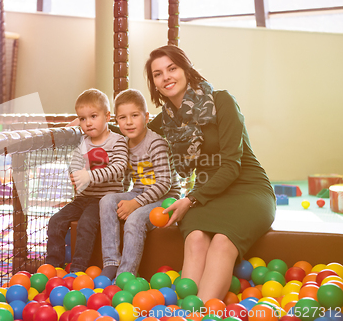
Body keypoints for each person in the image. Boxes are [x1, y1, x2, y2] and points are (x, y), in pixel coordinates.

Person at [144, 45, 276, 302]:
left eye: (172, 68)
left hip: (246, 188)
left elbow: (231, 166)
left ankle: (204, 312)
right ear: (154, 84)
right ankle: (186, 312)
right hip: (207, 193)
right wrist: (87, 125)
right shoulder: (166, 121)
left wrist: (190, 199)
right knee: (194, 239)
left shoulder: (222, 101)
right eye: (158, 74)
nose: (166, 77)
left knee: (222, 243)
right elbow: (132, 128)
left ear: (187, 70)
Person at [99, 89, 181, 281]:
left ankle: (126, 274)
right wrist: (120, 200)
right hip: (140, 191)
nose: (128, 122)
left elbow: (164, 183)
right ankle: (111, 262)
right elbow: (126, 177)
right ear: (116, 121)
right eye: (122, 117)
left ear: (145, 117)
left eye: (134, 116)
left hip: (166, 197)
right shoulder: (124, 144)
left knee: (135, 219)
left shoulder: (156, 143)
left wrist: (135, 203)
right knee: (106, 201)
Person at [45, 88, 129, 272]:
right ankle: (52, 266)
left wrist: (89, 175)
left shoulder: (118, 141)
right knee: (55, 221)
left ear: (107, 116)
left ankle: (78, 269)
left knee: (86, 225)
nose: (88, 123)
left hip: (104, 200)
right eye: (82, 119)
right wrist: (74, 174)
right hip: (83, 198)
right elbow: (75, 165)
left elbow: (119, 168)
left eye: (93, 116)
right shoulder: (82, 142)